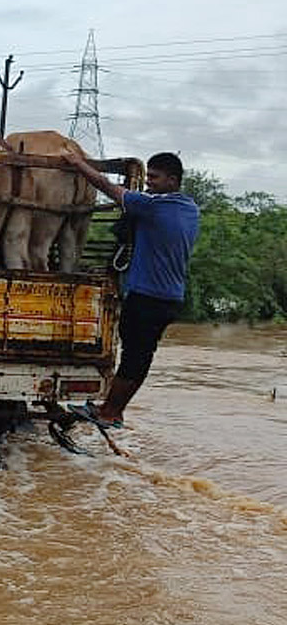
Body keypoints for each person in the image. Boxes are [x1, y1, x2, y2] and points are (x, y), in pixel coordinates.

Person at [62, 150, 199, 428]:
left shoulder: (154, 206)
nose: (149, 182)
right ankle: (111, 408)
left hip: (149, 296)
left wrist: (78, 164)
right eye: (148, 176)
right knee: (138, 355)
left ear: (173, 180)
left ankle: (111, 412)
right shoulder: (189, 208)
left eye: (155, 178)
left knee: (135, 356)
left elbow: (107, 186)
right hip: (167, 297)